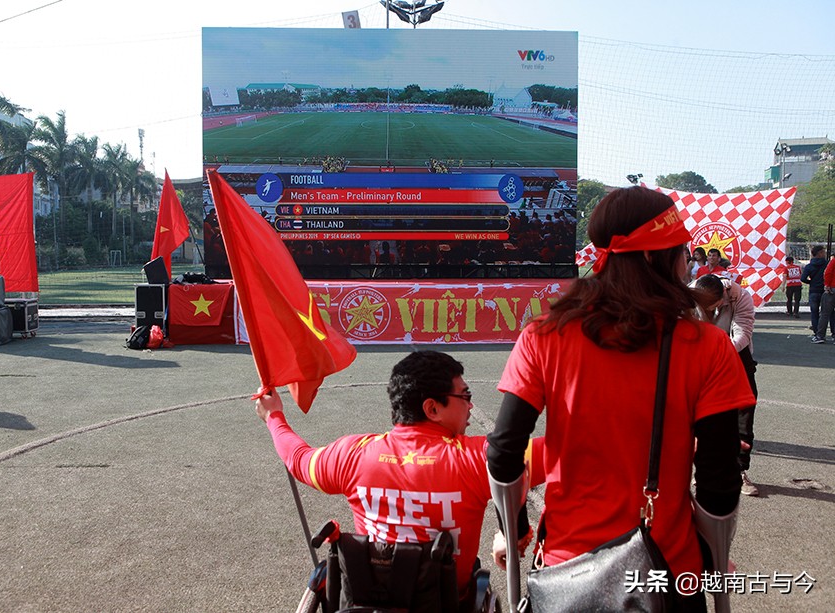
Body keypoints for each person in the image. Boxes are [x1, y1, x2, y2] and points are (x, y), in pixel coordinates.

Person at [486, 187, 755, 612]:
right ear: (653, 255)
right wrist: (710, 554)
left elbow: (503, 452)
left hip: (567, 569)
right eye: (681, 250)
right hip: (667, 568)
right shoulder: (708, 345)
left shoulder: (544, 335)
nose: (687, 261)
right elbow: (719, 478)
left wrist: (514, 526)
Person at [255, 350, 544, 606]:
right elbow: (562, 452)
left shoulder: (352, 454)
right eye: (465, 396)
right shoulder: (481, 458)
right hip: (449, 602)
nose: (470, 406)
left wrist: (274, 417)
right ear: (432, 408)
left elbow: (298, 459)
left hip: (368, 600)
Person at [694, 274, 760, 496]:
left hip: (736, 353)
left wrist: (719, 353)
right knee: (703, 415)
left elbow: (743, 333)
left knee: (744, 411)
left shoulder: (740, 297)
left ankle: (740, 470)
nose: (708, 311)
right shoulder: (689, 296)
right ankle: (704, 469)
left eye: (712, 306)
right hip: (701, 355)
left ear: (722, 299)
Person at [801, 245, 828, 337]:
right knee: (828, 312)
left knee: (814, 312)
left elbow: (803, 278)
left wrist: (811, 282)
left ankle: (817, 332)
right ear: (820, 253)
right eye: (823, 252)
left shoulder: (809, 266)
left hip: (814, 290)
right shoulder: (826, 264)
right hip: (825, 290)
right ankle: (832, 331)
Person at [812, 255, 835, 344]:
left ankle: (820, 336)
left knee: (825, 313)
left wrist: (827, 285)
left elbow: (828, 272)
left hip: (832, 288)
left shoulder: (833, 261)